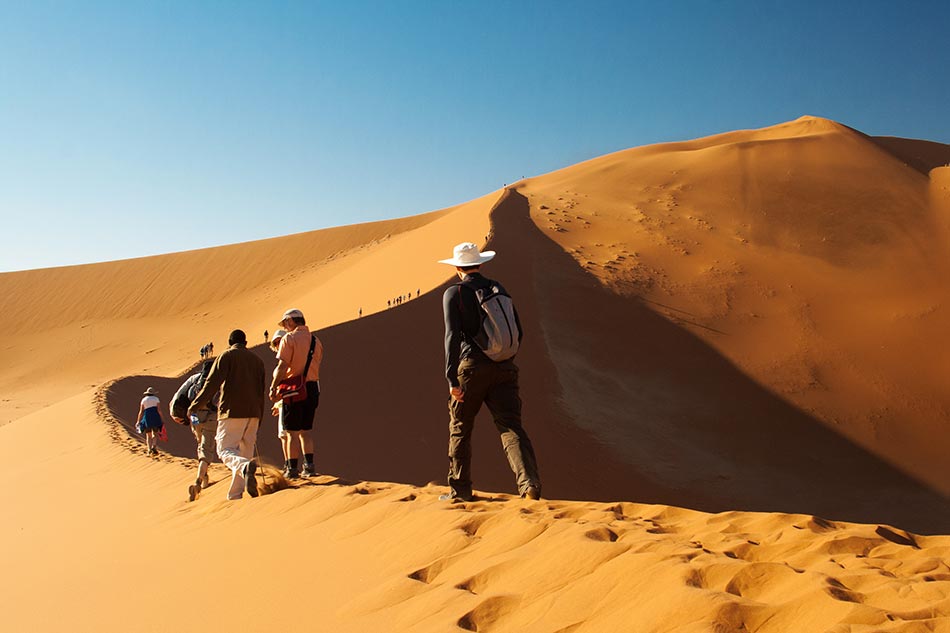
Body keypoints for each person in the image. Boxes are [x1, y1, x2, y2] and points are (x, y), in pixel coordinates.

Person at [439, 242, 541, 501]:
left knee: (461, 427)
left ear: (458, 267)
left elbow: (451, 337)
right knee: (511, 427)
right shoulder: (499, 289)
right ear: (480, 263)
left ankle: (460, 490)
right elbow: (519, 329)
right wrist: (502, 360)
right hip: (505, 369)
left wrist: (452, 378)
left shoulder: (456, 293)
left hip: (471, 368)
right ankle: (529, 485)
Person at [188, 330, 267, 500]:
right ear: (245, 342)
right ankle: (235, 494)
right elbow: (261, 391)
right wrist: (259, 416)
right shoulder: (258, 361)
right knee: (244, 453)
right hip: (253, 413)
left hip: (232, 411)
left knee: (224, 450)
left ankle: (245, 468)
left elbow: (211, 384)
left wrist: (195, 406)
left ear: (230, 342)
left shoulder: (226, 356)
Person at [269, 308, 323, 479]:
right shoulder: (316, 341)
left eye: (285, 323)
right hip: (313, 388)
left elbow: (282, 366)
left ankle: (292, 469)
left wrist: (273, 386)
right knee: (306, 431)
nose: (285, 327)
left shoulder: (289, 339)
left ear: (291, 321)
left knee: (292, 432)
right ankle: (309, 467)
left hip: (294, 390)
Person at [171, 360, 219, 502]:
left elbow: (179, 396)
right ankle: (198, 481)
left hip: (194, 416)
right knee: (207, 448)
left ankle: (205, 477)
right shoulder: (217, 380)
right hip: (211, 416)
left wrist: (174, 413)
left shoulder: (195, 379)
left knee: (200, 442)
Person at [267, 329, 292, 474]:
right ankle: (288, 463)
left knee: (287, 434)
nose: (277, 346)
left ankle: (290, 465)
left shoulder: (286, 363)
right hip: (282, 403)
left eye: (280, 342)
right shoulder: (282, 363)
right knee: (284, 435)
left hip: (288, 401)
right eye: (275, 343)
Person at [136, 387, 166, 456]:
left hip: (147, 418)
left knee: (148, 435)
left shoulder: (143, 400)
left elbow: (141, 411)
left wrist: (138, 421)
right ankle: (154, 446)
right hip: (155, 417)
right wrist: (162, 419)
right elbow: (159, 410)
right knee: (155, 433)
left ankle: (149, 449)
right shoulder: (156, 399)